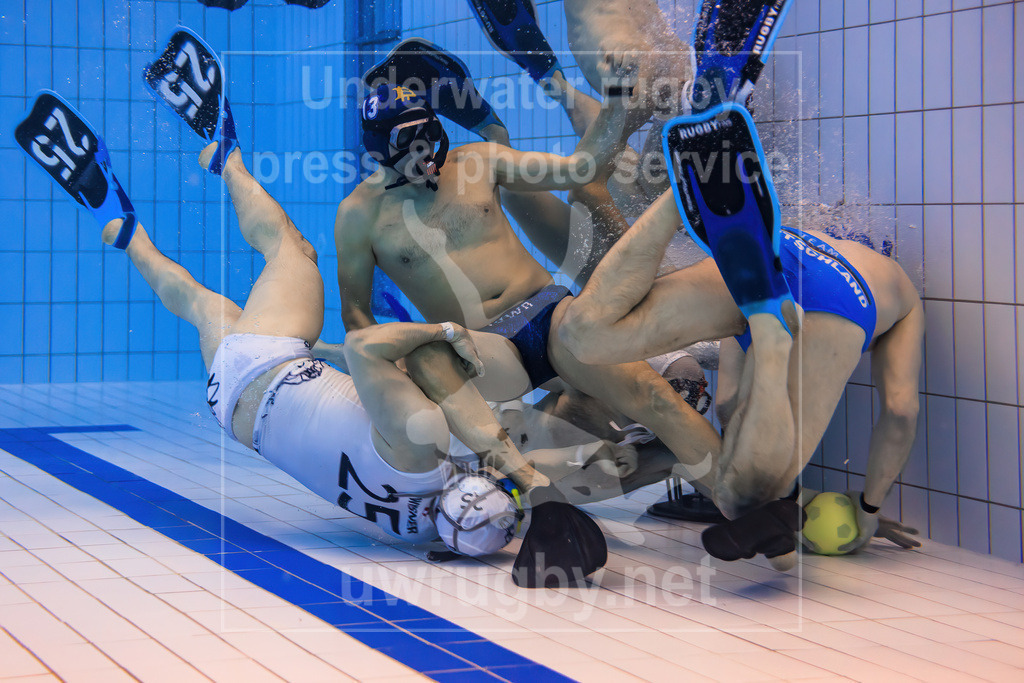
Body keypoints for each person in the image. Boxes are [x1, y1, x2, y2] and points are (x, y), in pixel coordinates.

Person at [336, 70, 723, 495]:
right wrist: (385, 381)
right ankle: (523, 475)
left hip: (550, 314)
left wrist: (614, 103)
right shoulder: (358, 216)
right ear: (380, 152)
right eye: (409, 148)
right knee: (432, 359)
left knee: (655, 397)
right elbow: (356, 316)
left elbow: (581, 169)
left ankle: (737, 499)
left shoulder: (479, 160)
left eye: (428, 139)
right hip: (484, 348)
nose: (426, 157)